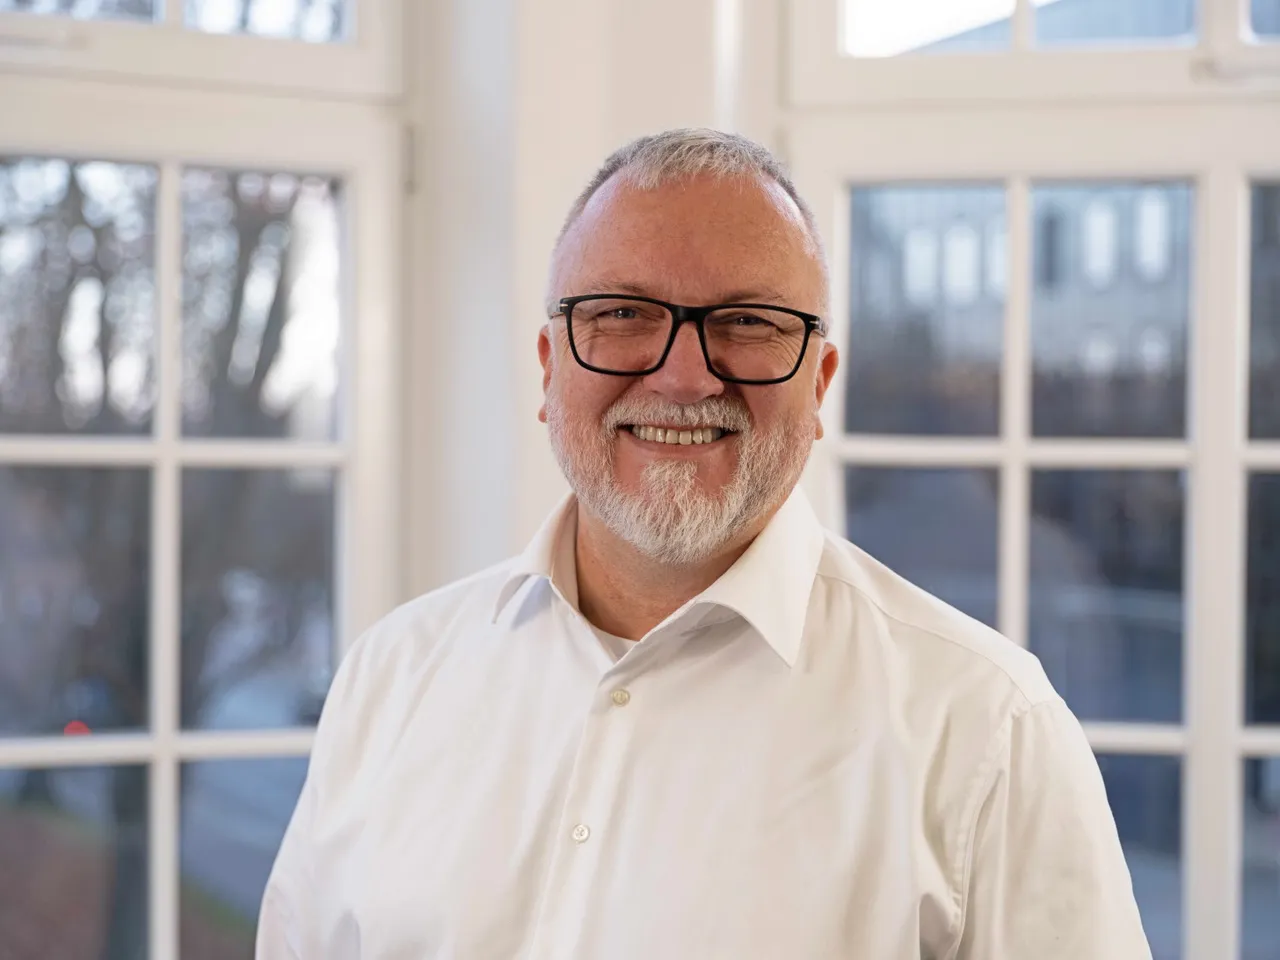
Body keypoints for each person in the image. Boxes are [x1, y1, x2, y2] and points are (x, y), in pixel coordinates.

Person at [256, 129, 1153, 959]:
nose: (684, 375)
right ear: (548, 367)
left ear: (819, 385)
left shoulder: (987, 731)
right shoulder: (392, 676)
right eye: (621, 315)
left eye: (749, 323)